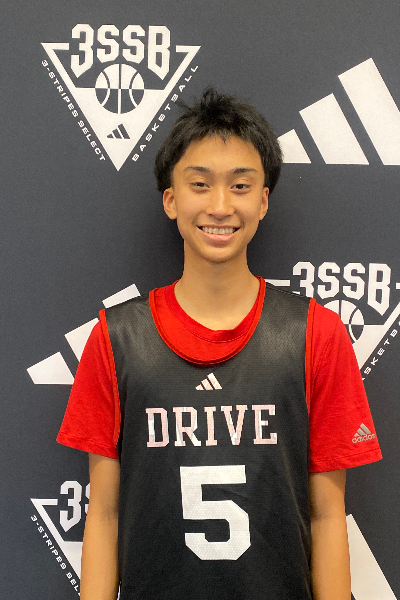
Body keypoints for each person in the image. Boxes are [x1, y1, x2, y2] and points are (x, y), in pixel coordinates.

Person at [57, 88, 382, 600]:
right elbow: (104, 513)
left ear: (263, 200)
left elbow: (327, 516)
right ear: (171, 199)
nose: (221, 206)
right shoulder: (116, 339)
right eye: (200, 184)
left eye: (240, 185)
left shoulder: (317, 334)